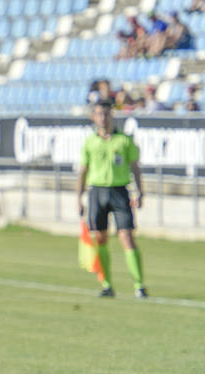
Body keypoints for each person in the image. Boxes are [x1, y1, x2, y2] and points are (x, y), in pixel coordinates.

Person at [76, 100, 147, 298]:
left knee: (126, 236)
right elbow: (83, 171)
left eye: (106, 114)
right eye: (99, 114)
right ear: (93, 117)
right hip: (96, 192)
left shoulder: (124, 140)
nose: (103, 118)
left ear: (112, 115)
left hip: (119, 191)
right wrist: (78, 197)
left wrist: (139, 192)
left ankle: (139, 285)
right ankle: (107, 285)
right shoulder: (90, 142)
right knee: (100, 238)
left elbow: (135, 168)